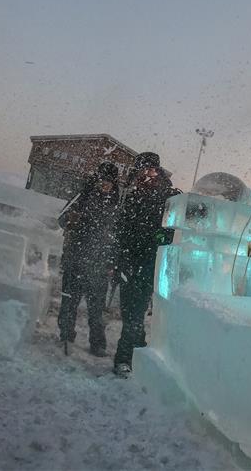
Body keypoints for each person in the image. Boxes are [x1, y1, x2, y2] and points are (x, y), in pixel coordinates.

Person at [112, 152, 179, 376]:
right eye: (143, 169)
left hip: (149, 263)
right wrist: (118, 258)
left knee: (135, 314)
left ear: (157, 171)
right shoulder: (132, 194)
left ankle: (124, 359)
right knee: (129, 313)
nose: (147, 174)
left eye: (151, 169)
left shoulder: (168, 195)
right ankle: (140, 353)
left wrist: (159, 239)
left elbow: (172, 227)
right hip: (128, 263)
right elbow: (121, 230)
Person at [56, 162, 121, 356]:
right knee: (69, 302)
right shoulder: (81, 197)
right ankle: (66, 334)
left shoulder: (116, 204)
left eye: (109, 181)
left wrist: (113, 262)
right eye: (103, 180)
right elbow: (61, 219)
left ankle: (97, 343)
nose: (105, 184)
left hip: (99, 264)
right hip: (75, 258)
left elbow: (117, 237)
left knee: (97, 309)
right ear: (97, 179)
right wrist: (70, 218)